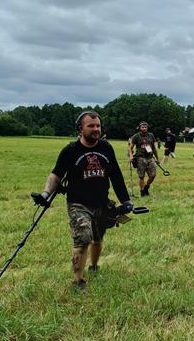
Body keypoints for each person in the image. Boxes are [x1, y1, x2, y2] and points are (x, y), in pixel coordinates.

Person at [31, 111, 133, 289]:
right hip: (78, 202)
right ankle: (78, 280)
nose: (96, 129)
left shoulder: (106, 148)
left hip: (101, 202)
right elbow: (56, 174)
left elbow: (115, 175)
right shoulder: (71, 151)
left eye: (98, 126)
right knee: (83, 238)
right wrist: (46, 194)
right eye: (91, 126)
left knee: (98, 238)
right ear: (80, 129)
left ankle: (94, 267)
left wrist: (125, 200)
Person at [128, 121, 159, 197]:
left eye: (145, 127)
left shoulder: (151, 135)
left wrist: (157, 158)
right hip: (140, 158)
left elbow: (154, 148)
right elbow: (130, 148)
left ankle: (146, 187)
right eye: (143, 127)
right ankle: (142, 192)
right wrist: (131, 156)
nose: (144, 128)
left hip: (150, 158)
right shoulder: (136, 136)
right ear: (139, 128)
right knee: (141, 176)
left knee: (153, 175)